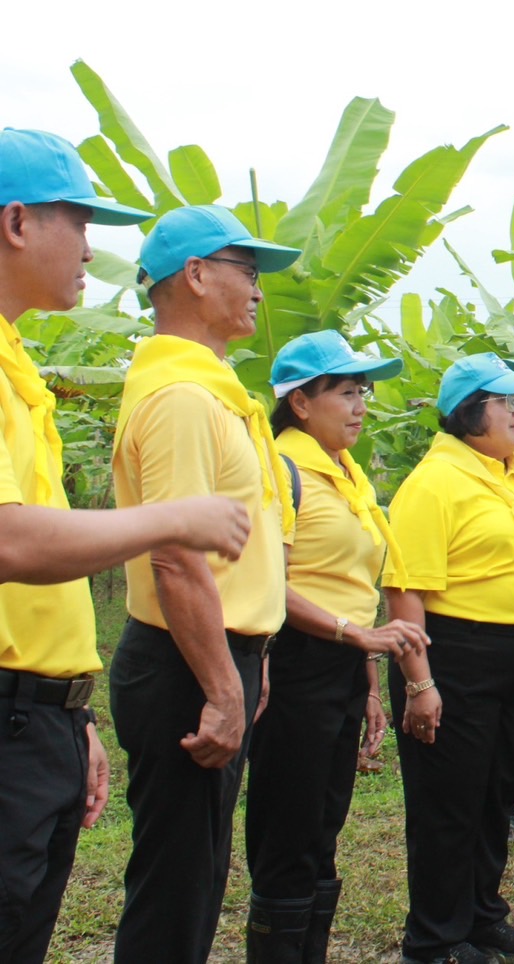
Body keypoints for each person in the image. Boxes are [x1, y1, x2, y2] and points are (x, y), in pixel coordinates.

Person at [0, 130, 252, 964]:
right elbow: (9, 540)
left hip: (34, 711)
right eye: (80, 223)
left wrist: (68, 709)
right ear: (17, 223)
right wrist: (174, 521)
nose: (92, 251)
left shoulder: (17, 368)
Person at [110, 204, 301, 964]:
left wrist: (245, 664)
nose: (258, 291)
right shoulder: (183, 399)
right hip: (186, 660)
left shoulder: (213, 388)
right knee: (174, 887)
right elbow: (175, 557)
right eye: (247, 273)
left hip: (216, 654)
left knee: (196, 877)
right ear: (194, 275)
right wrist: (222, 685)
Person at [244, 330, 428, 961]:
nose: (360, 406)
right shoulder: (281, 469)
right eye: (346, 392)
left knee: (323, 827)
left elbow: (348, 585)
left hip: (342, 666)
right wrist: (357, 636)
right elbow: (267, 582)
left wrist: (369, 681)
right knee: (289, 830)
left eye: (364, 392)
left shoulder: (346, 472)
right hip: (292, 665)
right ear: (300, 402)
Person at [383, 352, 514, 964]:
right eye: (506, 403)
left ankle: (482, 916)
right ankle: (433, 938)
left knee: (496, 794)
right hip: (455, 653)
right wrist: (419, 684)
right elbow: (404, 588)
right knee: (447, 802)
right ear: (468, 414)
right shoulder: (434, 484)